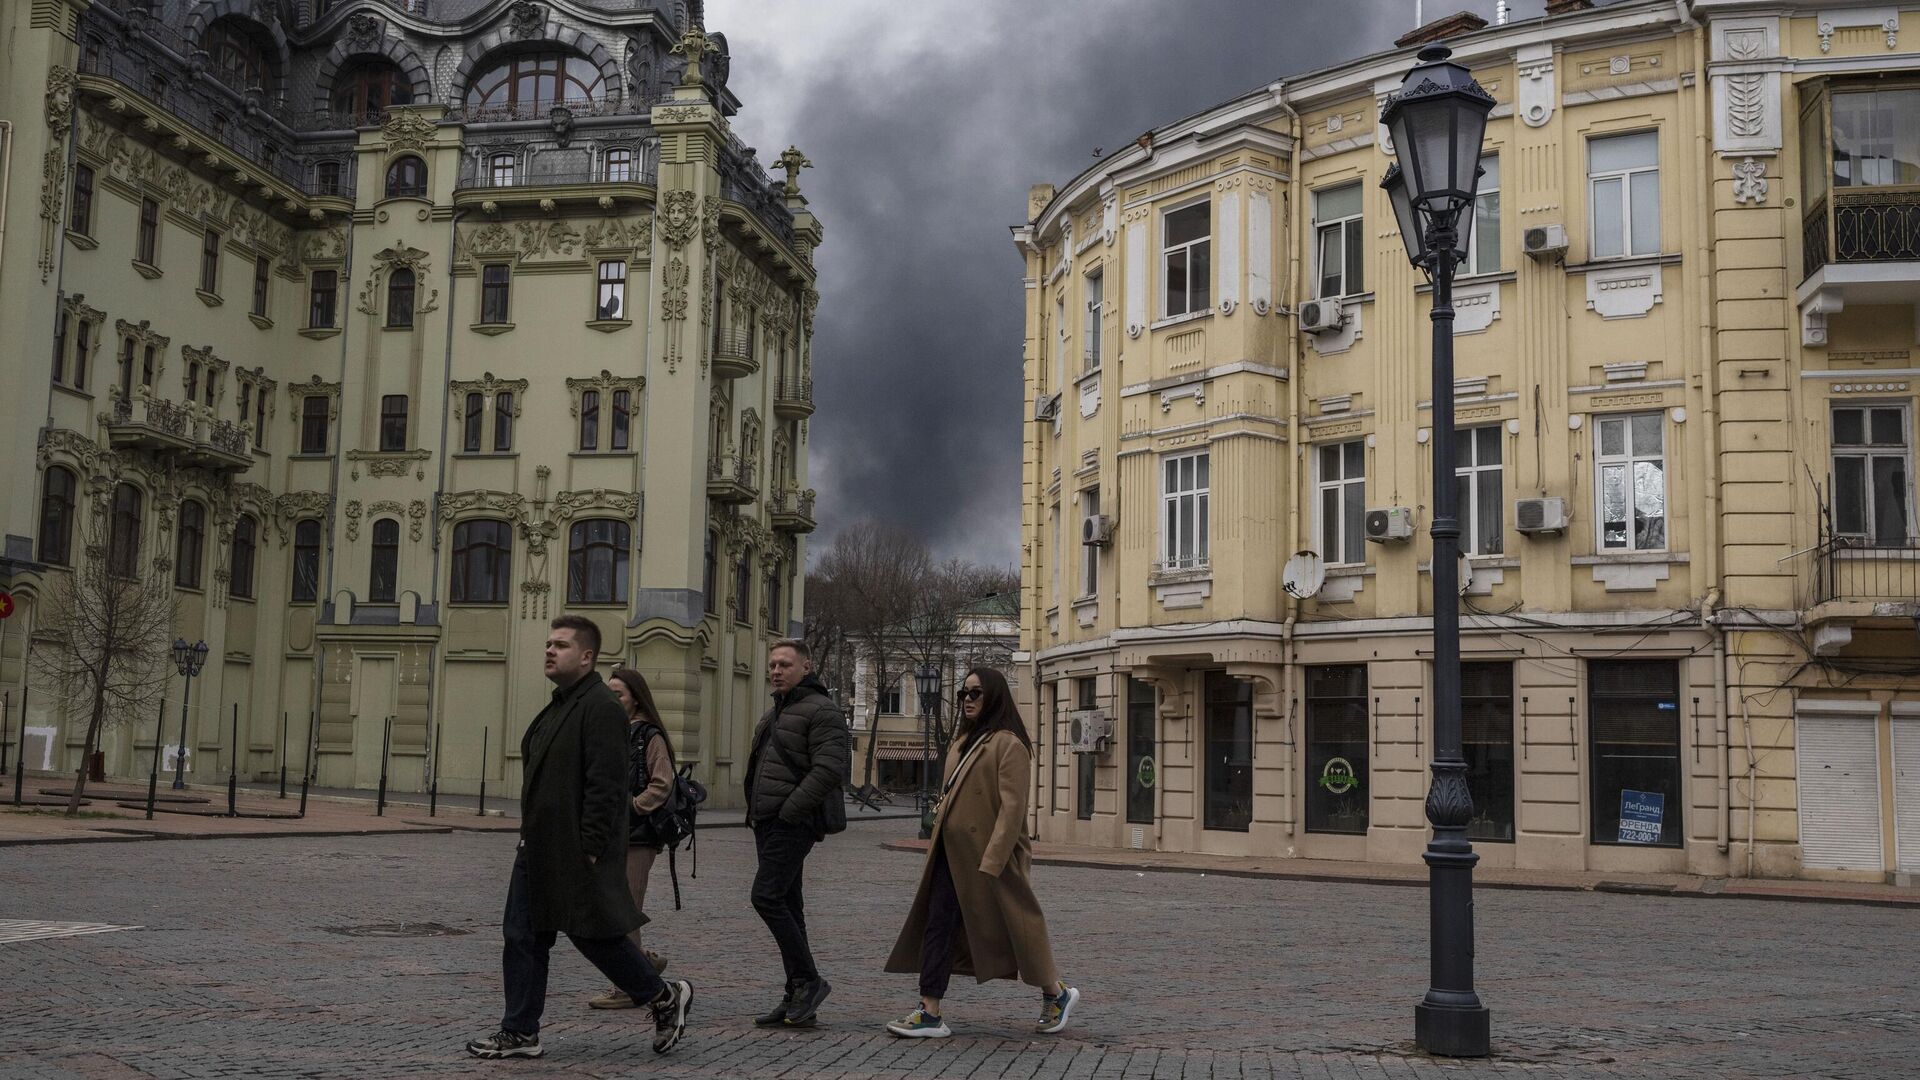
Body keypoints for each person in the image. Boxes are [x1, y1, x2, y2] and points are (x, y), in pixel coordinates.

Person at [465, 616, 693, 1060]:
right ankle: (520, 1031)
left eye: (562, 645)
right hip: (540, 844)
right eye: (549, 643)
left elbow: (607, 786)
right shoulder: (561, 704)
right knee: (524, 934)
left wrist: (589, 846)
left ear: (587, 657)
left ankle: (663, 996)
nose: (550, 650)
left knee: (593, 935)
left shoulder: (601, 707)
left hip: (576, 847)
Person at [882, 667, 1079, 1039]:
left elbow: (1012, 810)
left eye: (976, 693)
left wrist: (994, 860)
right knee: (937, 924)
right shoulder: (960, 742)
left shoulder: (1009, 745)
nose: (968, 700)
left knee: (1017, 930)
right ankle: (929, 1010)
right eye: (963, 694)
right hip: (951, 854)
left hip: (991, 860)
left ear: (994, 697)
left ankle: (1056, 992)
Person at [744, 638, 850, 1028]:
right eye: (772, 664)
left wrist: (790, 811)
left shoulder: (822, 711)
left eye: (784, 664)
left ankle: (809, 980)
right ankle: (797, 995)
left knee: (766, 896)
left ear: (805, 667)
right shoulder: (777, 711)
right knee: (788, 903)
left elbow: (827, 770)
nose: (775, 670)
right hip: (768, 821)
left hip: (793, 821)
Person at [585, 667, 676, 1009]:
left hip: (637, 838)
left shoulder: (649, 735)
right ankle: (645, 964)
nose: (613, 699)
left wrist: (634, 808)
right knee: (612, 909)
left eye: (619, 694)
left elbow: (662, 783)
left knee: (625, 911)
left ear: (635, 698)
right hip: (610, 836)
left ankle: (629, 987)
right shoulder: (613, 731)